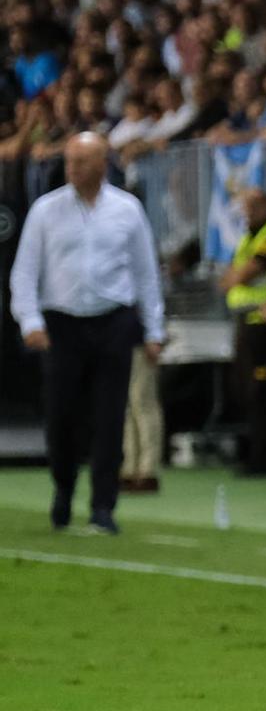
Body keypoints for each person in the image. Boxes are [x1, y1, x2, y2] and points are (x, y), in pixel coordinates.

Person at [9, 132, 164, 534]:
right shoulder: (46, 211)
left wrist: (153, 330)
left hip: (114, 320)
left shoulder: (127, 210)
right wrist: (30, 321)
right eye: (69, 160)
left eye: (80, 161)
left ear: (102, 163)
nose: (71, 168)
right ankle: (63, 486)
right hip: (62, 323)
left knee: (110, 416)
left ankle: (103, 506)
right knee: (61, 415)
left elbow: (146, 274)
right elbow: (25, 271)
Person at [217, 187, 266, 474]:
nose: (248, 211)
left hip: (262, 324)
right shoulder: (249, 237)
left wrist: (237, 277)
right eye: (246, 206)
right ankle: (257, 452)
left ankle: (265, 456)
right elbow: (228, 279)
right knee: (244, 390)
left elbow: (243, 274)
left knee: (260, 391)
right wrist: (235, 277)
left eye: (254, 205)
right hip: (244, 322)